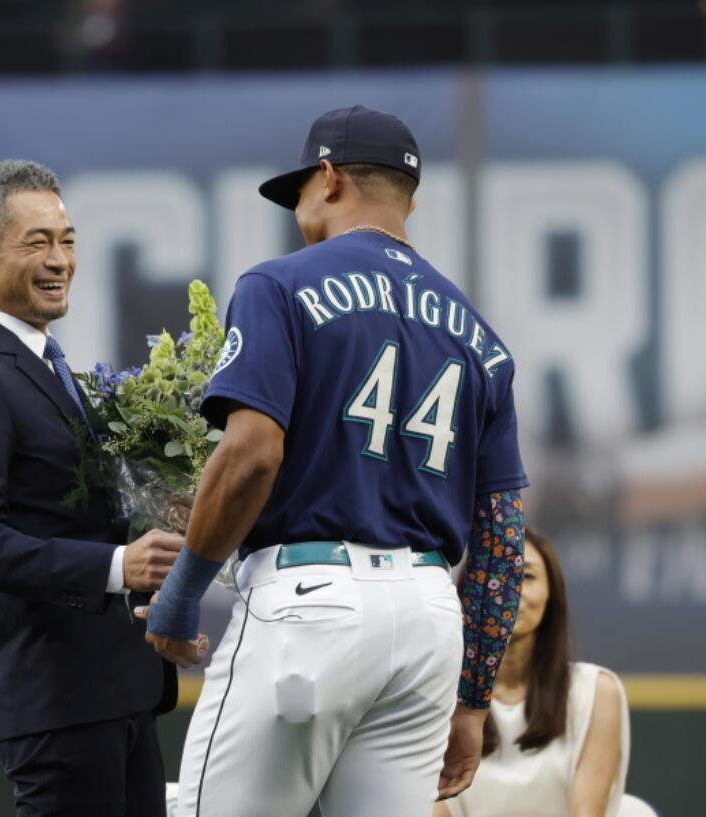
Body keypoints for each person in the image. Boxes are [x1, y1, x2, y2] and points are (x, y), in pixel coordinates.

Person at [140, 105, 528, 817]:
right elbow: (503, 540)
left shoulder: (279, 285)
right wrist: (472, 698)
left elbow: (253, 452)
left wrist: (182, 589)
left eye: (299, 193)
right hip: (427, 617)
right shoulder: (481, 337)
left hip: (310, 605)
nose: (298, 212)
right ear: (410, 200)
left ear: (327, 177)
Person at [0, 159, 184, 817]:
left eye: (66, 240)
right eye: (36, 241)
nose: (60, 259)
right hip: (59, 701)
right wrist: (117, 565)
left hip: (119, 688)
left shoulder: (46, 360)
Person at [435, 530, 631, 817]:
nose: (510, 592)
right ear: (468, 591)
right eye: (495, 576)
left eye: (526, 577)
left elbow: (588, 812)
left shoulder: (596, 691)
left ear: (552, 594)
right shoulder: (435, 693)